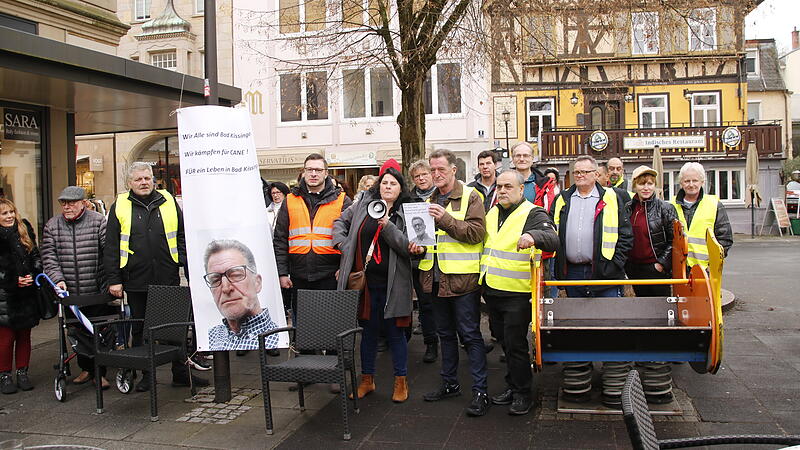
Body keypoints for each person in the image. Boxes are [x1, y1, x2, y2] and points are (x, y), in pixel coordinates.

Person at [105, 162, 207, 392]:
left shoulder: (168, 200)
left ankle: (180, 373)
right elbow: (111, 246)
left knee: (175, 328)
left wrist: (179, 257)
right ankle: (146, 375)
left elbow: (182, 233)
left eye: (147, 178)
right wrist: (114, 279)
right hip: (135, 278)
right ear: (129, 183)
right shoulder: (120, 205)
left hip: (166, 274)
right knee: (141, 329)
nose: (144, 182)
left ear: (153, 179)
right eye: (138, 179)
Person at [333, 161, 420, 403]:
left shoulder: (407, 211)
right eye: (384, 183)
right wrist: (343, 243)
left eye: (393, 183)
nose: (388, 187)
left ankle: (400, 381)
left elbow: (408, 248)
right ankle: (367, 380)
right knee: (368, 334)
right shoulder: (363, 204)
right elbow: (340, 222)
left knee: (395, 334)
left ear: (401, 188)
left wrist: (388, 226)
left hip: (394, 284)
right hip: (366, 285)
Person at [419, 149, 490, 417]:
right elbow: (428, 239)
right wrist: (416, 246)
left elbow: (476, 234)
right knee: (445, 335)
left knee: (470, 336)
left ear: (453, 170)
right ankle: (450, 383)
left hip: (463, 281)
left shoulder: (472, 196)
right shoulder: (430, 197)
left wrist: (445, 219)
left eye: (440, 169)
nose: (435, 174)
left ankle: (481, 391)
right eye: (432, 169)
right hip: (434, 278)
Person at [481, 171, 558, 415]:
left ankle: (523, 393)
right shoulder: (493, 212)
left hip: (517, 292)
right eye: (499, 186)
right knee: (502, 340)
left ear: (521, 188)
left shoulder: (532, 212)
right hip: (493, 289)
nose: (502, 190)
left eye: (508, 187)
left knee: (515, 345)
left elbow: (552, 239)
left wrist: (532, 235)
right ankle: (513, 385)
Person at [273, 153, 352, 392]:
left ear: (326, 173)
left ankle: (334, 373)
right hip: (298, 273)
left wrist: (343, 268)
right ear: (304, 171)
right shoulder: (290, 200)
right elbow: (280, 239)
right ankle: (306, 372)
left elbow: (351, 238)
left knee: (332, 325)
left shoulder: (341, 200)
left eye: (318, 169)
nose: (314, 174)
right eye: (310, 169)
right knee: (303, 325)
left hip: (330, 272)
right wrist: (282, 272)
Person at [41, 186, 112, 389]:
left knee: (97, 332)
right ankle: (86, 369)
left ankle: (100, 372)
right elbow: (49, 257)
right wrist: (58, 279)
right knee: (76, 333)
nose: (67, 207)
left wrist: (108, 282)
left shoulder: (98, 221)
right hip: (70, 293)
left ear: (83, 203)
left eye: (71, 203)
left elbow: (108, 253)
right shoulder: (52, 225)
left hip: (96, 290)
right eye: (63, 203)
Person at [550, 155, 633, 298]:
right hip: (572, 272)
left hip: (605, 271)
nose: (580, 175)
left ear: (596, 174)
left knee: (607, 317)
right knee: (577, 318)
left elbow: (626, 235)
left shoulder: (613, 197)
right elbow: (552, 231)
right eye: (576, 172)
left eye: (584, 172)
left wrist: (615, 264)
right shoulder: (562, 199)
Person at [203, 239, 280, 351]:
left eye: (235, 275)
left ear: (257, 283)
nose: (225, 288)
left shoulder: (279, 338)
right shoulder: (210, 337)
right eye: (215, 280)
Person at [0, 199, 42, 394]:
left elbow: (35, 257)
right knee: (6, 339)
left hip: (26, 294)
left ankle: (23, 372)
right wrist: (13, 280)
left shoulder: (24, 229)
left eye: (11, 212)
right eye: (4, 213)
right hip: (5, 296)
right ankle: (5, 375)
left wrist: (32, 276)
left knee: (25, 336)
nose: (9, 216)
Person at [626, 166, 677, 297]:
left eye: (650, 183)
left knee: (660, 308)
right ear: (635, 185)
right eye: (642, 183)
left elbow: (675, 241)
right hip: (634, 269)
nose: (646, 188)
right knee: (643, 308)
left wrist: (661, 264)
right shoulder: (628, 208)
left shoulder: (665, 208)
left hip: (655, 268)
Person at [670, 162, 733, 268]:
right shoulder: (670, 205)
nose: (691, 184)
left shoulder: (714, 204)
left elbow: (725, 239)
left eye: (695, 180)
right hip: (678, 269)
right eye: (687, 181)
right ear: (681, 183)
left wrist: (712, 262)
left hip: (706, 270)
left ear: (702, 182)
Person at [408, 159, 438, 363]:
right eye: (417, 176)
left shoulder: (442, 195)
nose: (421, 178)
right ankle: (431, 344)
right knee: (426, 305)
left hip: (445, 258)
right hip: (419, 260)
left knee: (447, 304)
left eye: (424, 174)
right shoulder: (408, 200)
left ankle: (460, 340)